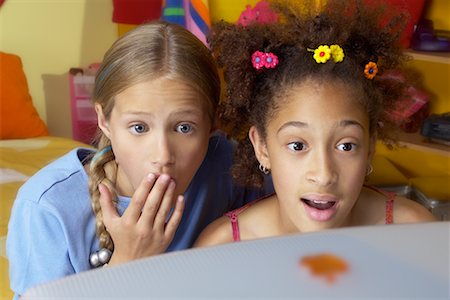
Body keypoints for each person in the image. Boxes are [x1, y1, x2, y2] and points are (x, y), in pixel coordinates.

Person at [7, 21, 272, 298]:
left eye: (184, 128)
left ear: (212, 125)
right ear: (104, 120)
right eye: (139, 128)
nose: (162, 156)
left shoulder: (226, 165)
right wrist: (127, 263)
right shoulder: (47, 208)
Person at [195, 0, 435, 247]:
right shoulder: (222, 248)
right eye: (298, 146)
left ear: (370, 145)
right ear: (262, 147)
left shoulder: (415, 233)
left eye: (346, 146)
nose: (323, 175)